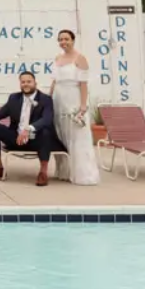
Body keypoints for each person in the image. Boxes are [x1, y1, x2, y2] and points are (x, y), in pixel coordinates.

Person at [0, 71, 64, 187]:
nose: (26, 84)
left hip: (36, 140)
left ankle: (43, 172)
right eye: (23, 82)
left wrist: (29, 129)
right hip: (16, 138)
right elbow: (0, 113)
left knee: (46, 132)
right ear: (20, 84)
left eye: (29, 82)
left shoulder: (45, 99)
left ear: (35, 83)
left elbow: (47, 119)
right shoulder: (14, 98)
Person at [47, 29, 100, 185]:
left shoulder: (80, 58)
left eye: (66, 39)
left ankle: (83, 174)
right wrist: (48, 99)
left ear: (73, 40)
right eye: (60, 39)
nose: (63, 42)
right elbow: (54, 81)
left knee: (77, 136)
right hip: (58, 98)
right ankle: (64, 171)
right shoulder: (57, 58)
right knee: (60, 134)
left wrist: (83, 105)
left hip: (73, 98)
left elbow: (83, 84)